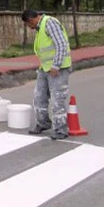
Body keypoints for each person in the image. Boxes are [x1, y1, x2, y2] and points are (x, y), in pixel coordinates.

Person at [21, 9, 72, 140]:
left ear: (30, 20)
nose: (29, 28)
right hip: (45, 68)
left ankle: (61, 130)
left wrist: (56, 65)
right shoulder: (40, 27)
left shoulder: (49, 23)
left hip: (58, 69)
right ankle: (43, 123)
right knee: (39, 96)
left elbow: (61, 44)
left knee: (57, 99)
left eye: (28, 25)